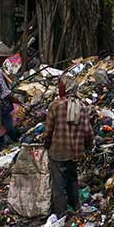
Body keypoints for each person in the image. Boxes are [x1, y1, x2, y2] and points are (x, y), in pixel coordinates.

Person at [44, 79, 94, 216]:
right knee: (72, 179)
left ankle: (61, 213)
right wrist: (89, 146)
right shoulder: (82, 107)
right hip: (75, 152)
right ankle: (76, 207)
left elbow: (48, 130)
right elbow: (88, 131)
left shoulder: (55, 105)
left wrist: (46, 143)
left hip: (58, 151)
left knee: (58, 185)